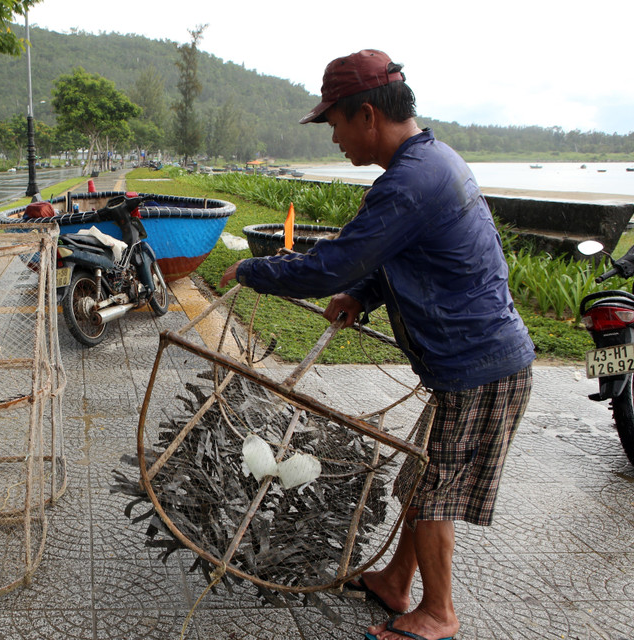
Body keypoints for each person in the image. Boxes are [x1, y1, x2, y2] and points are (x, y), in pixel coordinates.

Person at [219, 49, 534, 640]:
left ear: (367, 115)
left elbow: (328, 266)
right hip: (468, 364)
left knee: (435, 491)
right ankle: (395, 582)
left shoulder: (410, 182)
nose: (334, 137)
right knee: (422, 479)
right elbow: (398, 256)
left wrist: (252, 271)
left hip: (479, 365)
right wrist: (364, 295)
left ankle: (438, 613)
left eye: (334, 123)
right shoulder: (428, 164)